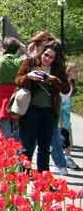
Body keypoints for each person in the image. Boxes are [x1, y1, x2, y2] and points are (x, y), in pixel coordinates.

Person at [15, 40, 68, 173]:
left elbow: (66, 89)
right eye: (46, 55)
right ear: (42, 52)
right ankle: (23, 177)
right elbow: (17, 80)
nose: (48, 59)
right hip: (30, 109)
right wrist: (29, 76)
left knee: (44, 148)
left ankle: (43, 180)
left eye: (51, 57)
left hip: (49, 112)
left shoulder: (57, 69)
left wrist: (52, 79)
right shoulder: (30, 62)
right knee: (27, 146)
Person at [0, 37, 23, 142]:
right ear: (17, 49)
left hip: (3, 96)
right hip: (16, 95)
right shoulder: (20, 62)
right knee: (17, 128)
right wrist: (24, 48)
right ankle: (18, 152)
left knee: (5, 130)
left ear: (4, 48)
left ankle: (8, 150)